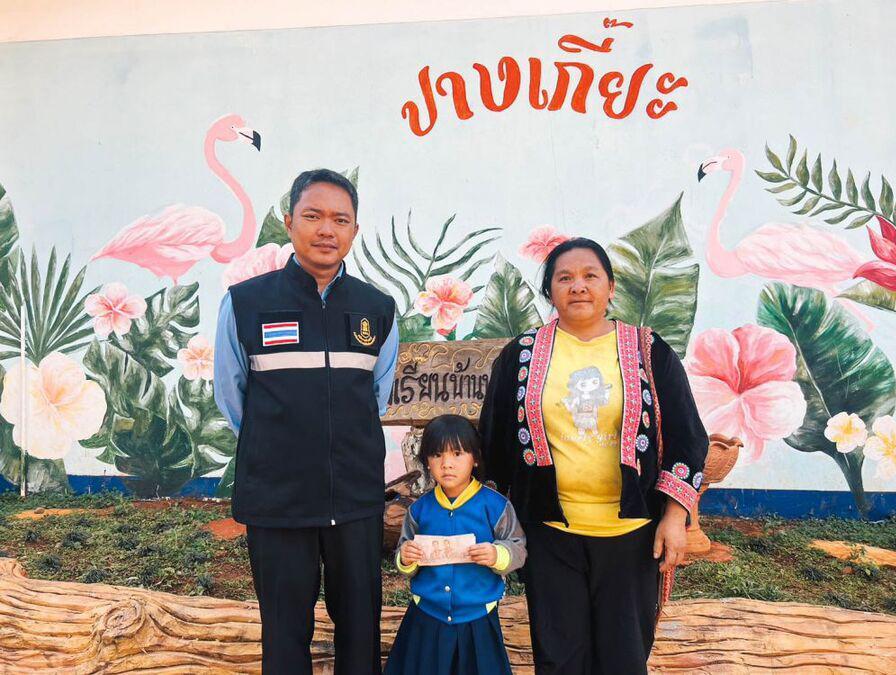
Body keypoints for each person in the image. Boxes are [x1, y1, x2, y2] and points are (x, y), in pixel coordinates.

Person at [479, 237, 708, 674]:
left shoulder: (648, 350)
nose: (578, 286)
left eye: (590, 276)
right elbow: (494, 441)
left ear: (611, 287)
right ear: (550, 291)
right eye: (564, 278)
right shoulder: (520, 356)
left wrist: (674, 517)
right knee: (559, 658)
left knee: (623, 658)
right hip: (549, 534)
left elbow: (687, 437)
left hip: (631, 536)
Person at [213, 168, 400, 674]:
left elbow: (376, 398)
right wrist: (280, 448)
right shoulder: (246, 304)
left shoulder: (377, 309)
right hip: (278, 499)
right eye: (313, 216)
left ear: (354, 230)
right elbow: (232, 397)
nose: (326, 230)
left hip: (355, 498)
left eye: (340, 220)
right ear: (289, 221)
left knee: (360, 628)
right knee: (284, 631)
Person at [385, 414, 527, 675]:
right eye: (437, 455)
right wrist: (405, 558)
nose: (447, 464)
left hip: (478, 617)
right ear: (426, 461)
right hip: (427, 616)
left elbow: (518, 546)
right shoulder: (419, 510)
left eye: (458, 454)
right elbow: (403, 553)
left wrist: (498, 554)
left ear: (475, 459)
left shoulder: (496, 506)